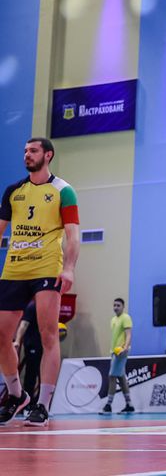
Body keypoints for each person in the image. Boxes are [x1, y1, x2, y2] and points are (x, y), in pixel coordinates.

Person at [0, 138, 79, 427]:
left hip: (47, 267)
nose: (27, 155)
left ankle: (43, 404)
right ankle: (16, 394)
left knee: (48, 334)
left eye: (33, 151)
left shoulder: (63, 191)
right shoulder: (13, 191)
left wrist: (69, 269)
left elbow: (73, 235)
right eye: (25, 151)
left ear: (48, 155)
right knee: (1, 335)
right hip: (14, 268)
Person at [101, 298, 134, 414]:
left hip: (121, 352)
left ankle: (108, 405)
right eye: (114, 305)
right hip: (114, 352)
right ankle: (129, 404)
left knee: (112, 376)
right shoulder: (113, 320)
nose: (116, 307)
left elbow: (128, 334)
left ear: (123, 307)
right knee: (121, 377)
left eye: (118, 305)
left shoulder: (126, 318)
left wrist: (125, 348)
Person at [13, 301, 43, 412]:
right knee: (31, 374)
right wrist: (17, 340)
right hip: (33, 345)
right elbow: (24, 324)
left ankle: (41, 404)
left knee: (43, 376)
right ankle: (27, 405)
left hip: (44, 347)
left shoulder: (49, 307)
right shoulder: (32, 307)